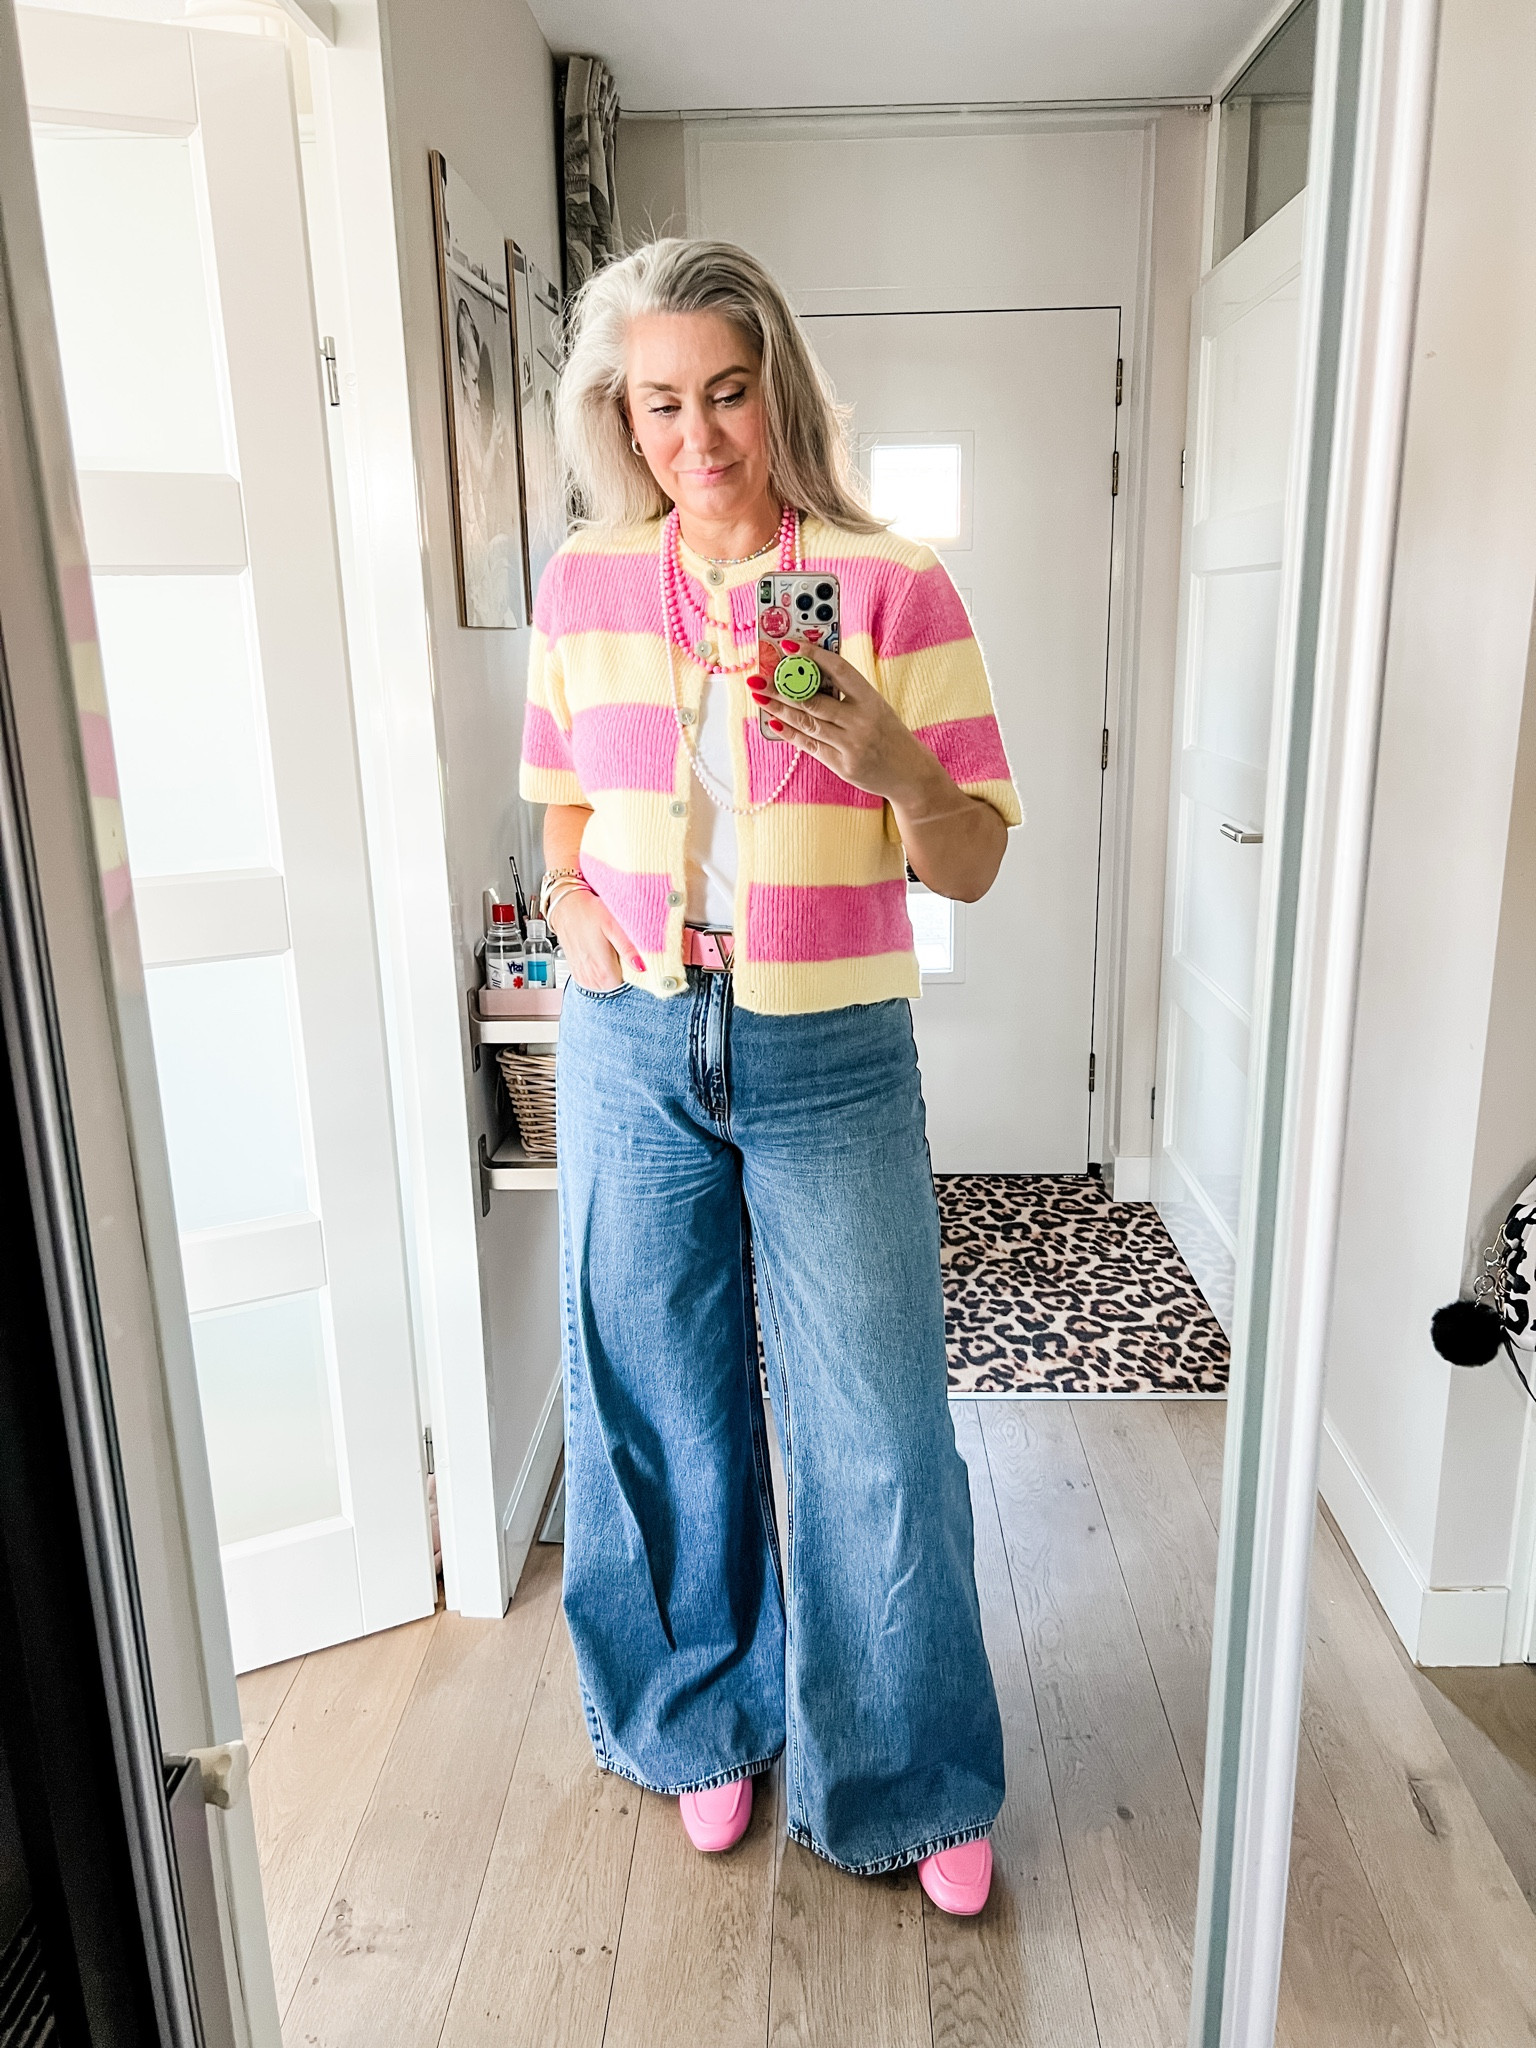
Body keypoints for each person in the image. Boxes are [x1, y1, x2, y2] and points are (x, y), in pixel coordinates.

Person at [519, 238, 1021, 1916]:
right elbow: (562, 811)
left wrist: (887, 756)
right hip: (635, 1039)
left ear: (776, 386)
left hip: (830, 1049)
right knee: (654, 1401)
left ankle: (910, 1770)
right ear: (622, 415)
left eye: (726, 392)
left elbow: (967, 867)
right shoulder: (590, 580)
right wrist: (579, 912)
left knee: (874, 1420)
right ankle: (696, 1723)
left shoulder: (892, 582)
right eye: (661, 403)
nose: (700, 436)